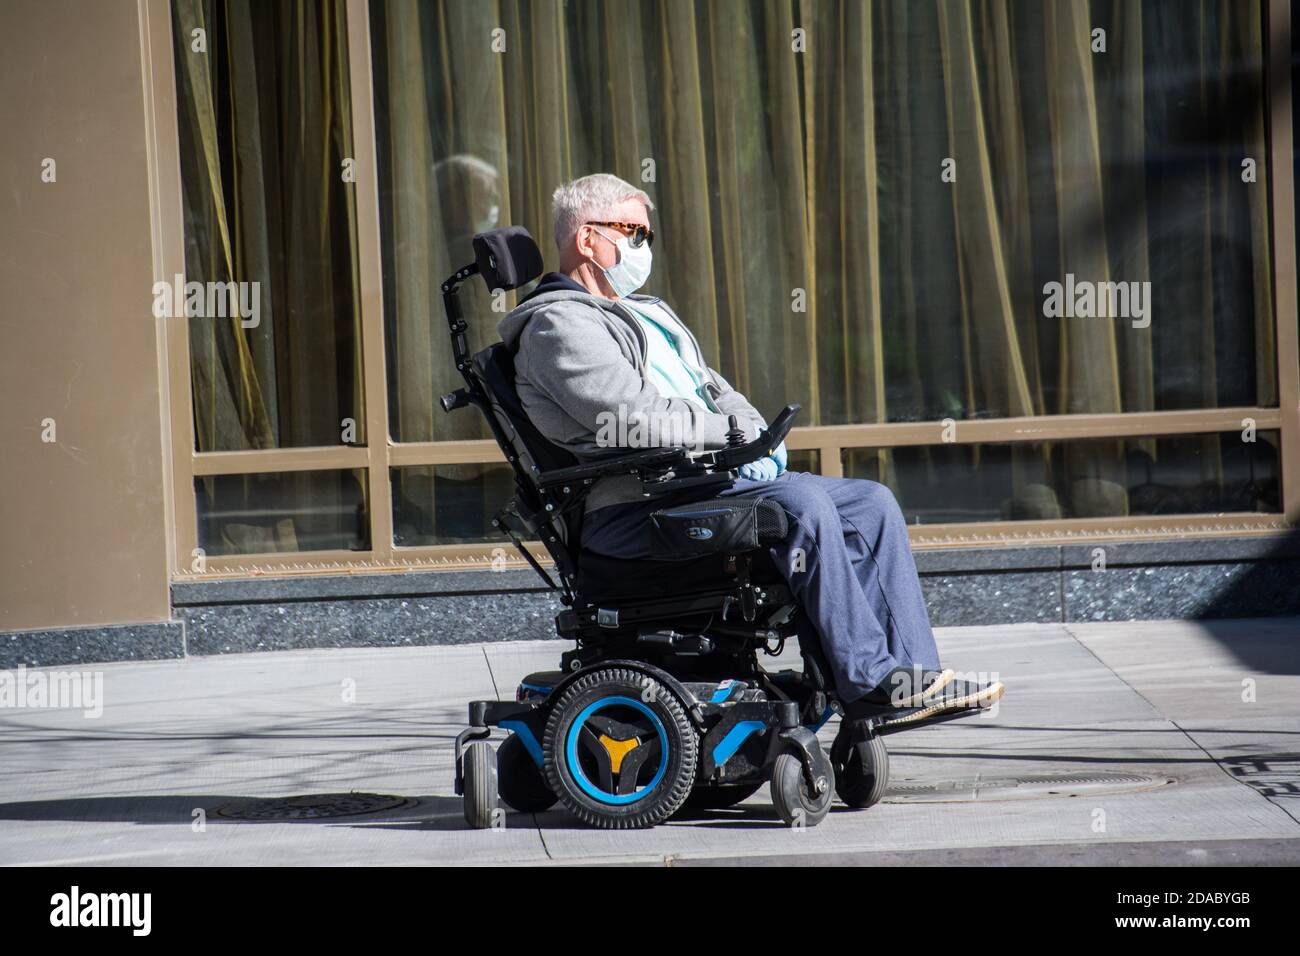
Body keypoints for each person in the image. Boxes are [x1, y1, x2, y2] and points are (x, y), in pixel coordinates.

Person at [497, 173, 1003, 718]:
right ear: (585, 238)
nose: (642, 246)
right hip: (636, 508)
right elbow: (635, 419)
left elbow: (720, 391)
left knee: (870, 503)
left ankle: (910, 681)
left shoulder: (648, 313)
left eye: (646, 233)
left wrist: (754, 436)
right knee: (800, 507)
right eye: (631, 231)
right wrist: (735, 436)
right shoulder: (558, 326)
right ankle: (868, 678)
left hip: (699, 486)